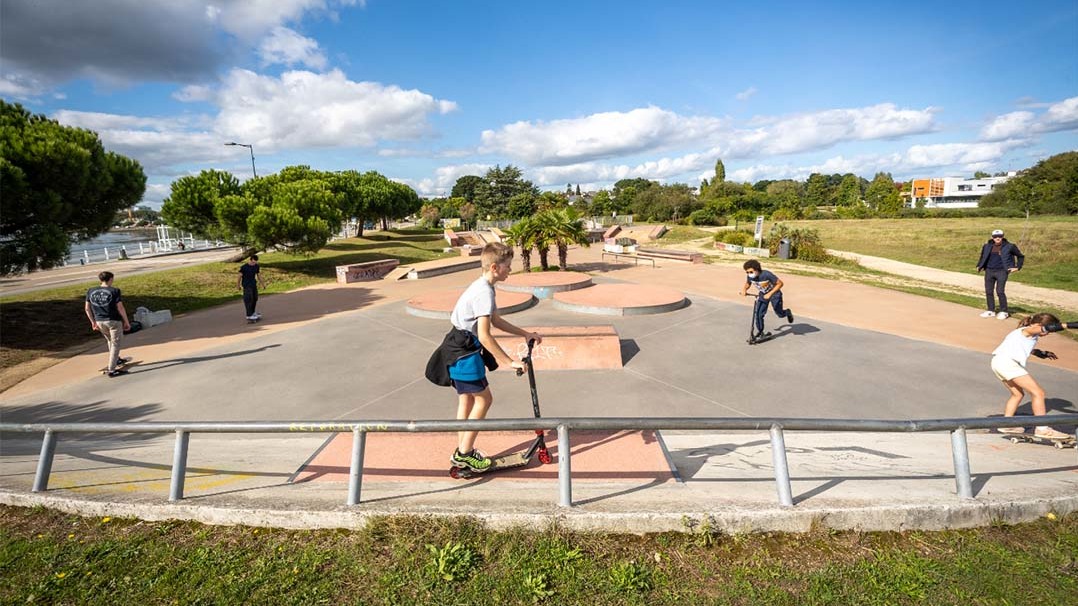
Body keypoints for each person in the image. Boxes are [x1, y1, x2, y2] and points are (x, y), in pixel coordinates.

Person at [425, 242, 542, 473]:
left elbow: (495, 320)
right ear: (495, 267)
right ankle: (465, 454)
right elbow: (485, 336)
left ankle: (462, 449)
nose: (510, 270)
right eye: (508, 266)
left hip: (456, 347)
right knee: (484, 400)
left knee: (467, 400)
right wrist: (510, 362)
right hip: (464, 353)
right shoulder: (484, 293)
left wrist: (524, 333)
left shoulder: (483, 286)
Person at [992, 313, 1074, 440]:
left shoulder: (1026, 334)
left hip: (998, 362)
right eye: (1047, 330)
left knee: (1017, 394)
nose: (1047, 333)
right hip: (1007, 363)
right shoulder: (1028, 330)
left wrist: (1040, 353)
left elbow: (1021, 347)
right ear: (1038, 325)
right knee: (1038, 393)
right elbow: (1048, 328)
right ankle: (1042, 429)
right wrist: (1071, 325)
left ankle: (1006, 424)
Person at [84, 271, 132, 377]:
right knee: (116, 344)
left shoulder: (91, 291)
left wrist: (93, 322)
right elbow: (120, 307)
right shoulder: (114, 291)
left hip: (99, 321)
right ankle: (111, 370)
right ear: (110, 279)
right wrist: (126, 321)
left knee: (110, 340)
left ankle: (116, 359)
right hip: (113, 321)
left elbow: (87, 308)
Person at [739, 259, 794, 343]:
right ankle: (761, 332)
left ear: (757, 270)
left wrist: (770, 293)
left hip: (775, 294)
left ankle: (787, 312)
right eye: (747, 272)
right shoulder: (750, 276)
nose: (749, 274)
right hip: (763, 294)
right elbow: (748, 283)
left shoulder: (766, 274)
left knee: (779, 313)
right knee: (758, 314)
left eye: (751, 272)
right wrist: (744, 289)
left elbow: (780, 283)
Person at [976, 229, 1024, 320]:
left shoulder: (1010, 246)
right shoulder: (987, 246)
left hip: (1002, 271)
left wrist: (1017, 267)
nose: (997, 238)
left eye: (1000, 236)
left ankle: (1004, 311)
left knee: (1000, 291)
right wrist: (979, 265)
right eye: (995, 237)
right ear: (992, 237)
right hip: (989, 271)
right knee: (989, 291)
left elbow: (1020, 256)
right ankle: (991, 310)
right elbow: (982, 256)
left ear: (1003, 236)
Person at [237, 254, 267, 322]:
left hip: (253, 285)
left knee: (255, 298)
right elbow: (239, 276)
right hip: (247, 285)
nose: (254, 263)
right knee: (248, 299)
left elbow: (259, 275)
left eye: (255, 262)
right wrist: (238, 285)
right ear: (250, 260)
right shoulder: (244, 267)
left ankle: (252, 312)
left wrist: (263, 284)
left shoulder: (256, 266)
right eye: (253, 262)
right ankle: (249, 315)